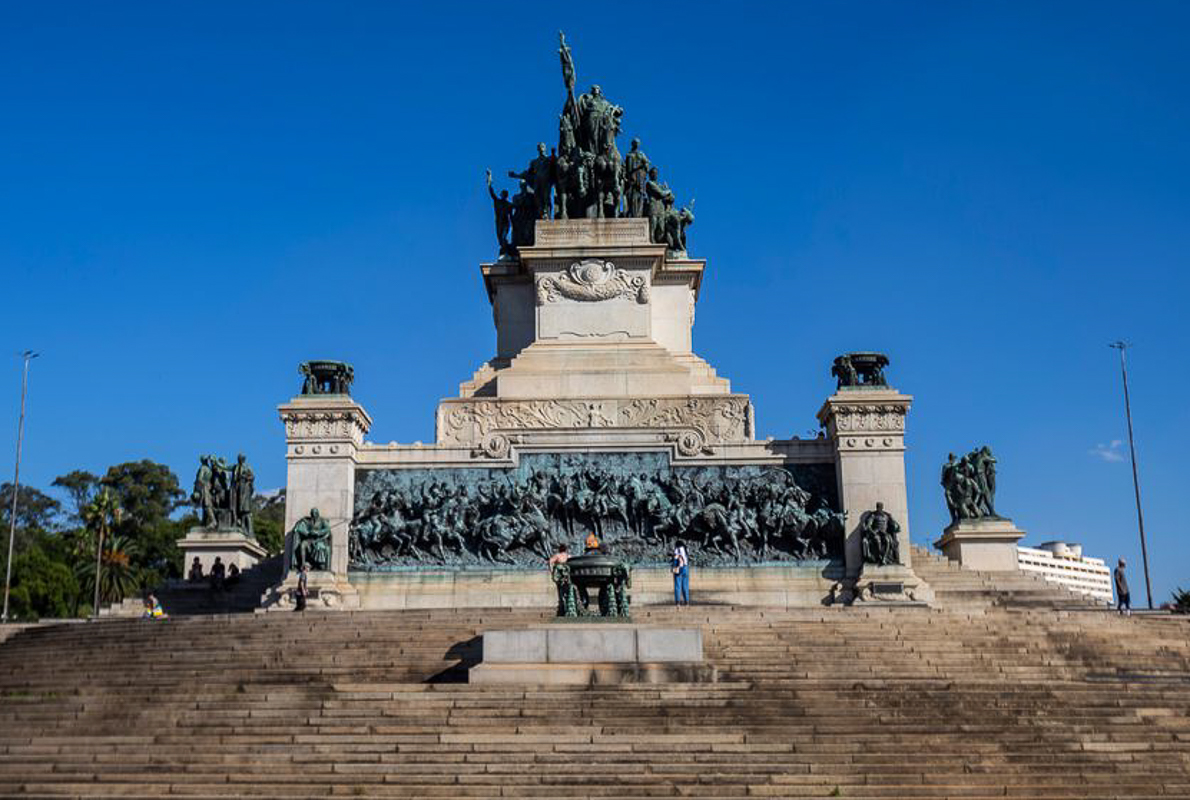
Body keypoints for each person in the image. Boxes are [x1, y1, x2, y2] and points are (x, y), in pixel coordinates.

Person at [673, 540, 690, 607]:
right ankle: (687, 602)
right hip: (686, 568)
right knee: (685, 586)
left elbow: (678, 558)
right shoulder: (685, 549)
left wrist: (676, 567)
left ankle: (678, 603)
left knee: (677, 586)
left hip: (679, 568)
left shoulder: (678, 549)